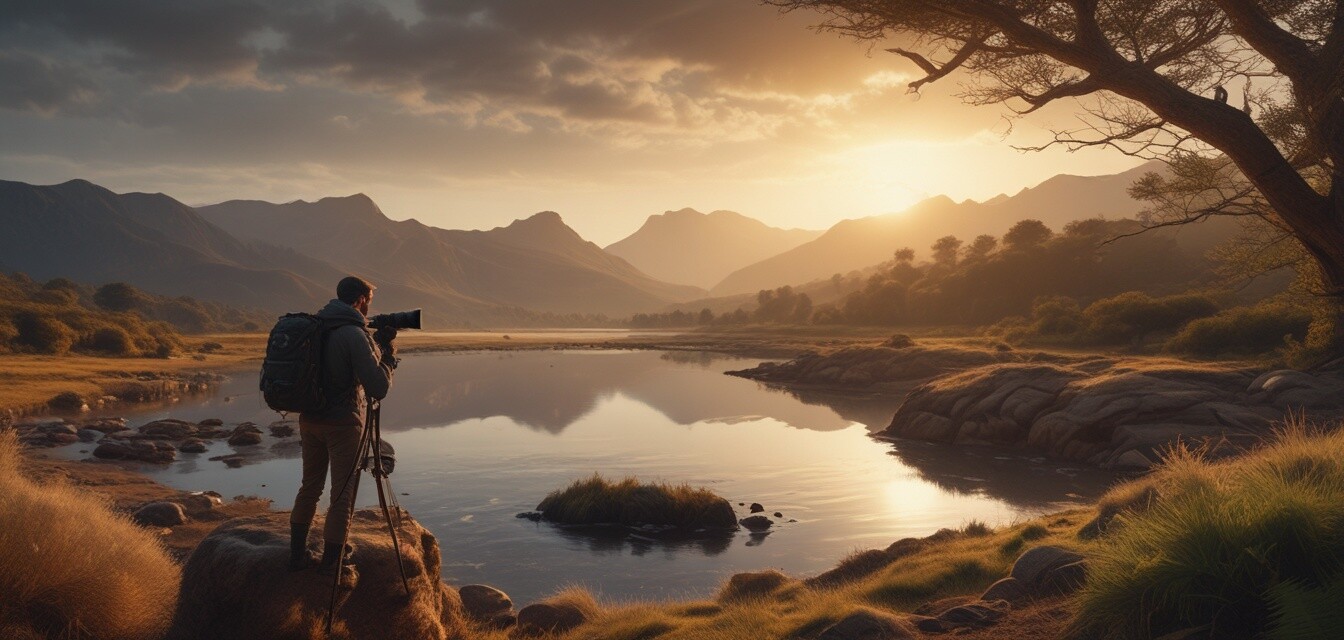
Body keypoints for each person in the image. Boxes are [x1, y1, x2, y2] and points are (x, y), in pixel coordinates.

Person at [289, 276, 398, 571]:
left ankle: (296, 557)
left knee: (309, 488)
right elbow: (378, 388)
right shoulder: (353, 334)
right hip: (340, 425)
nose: (369, 309)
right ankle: (331, 565)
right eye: (369, 302)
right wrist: (387, 356)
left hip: (309, 419)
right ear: (360, 300)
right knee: (342, 495)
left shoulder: (315, 325)